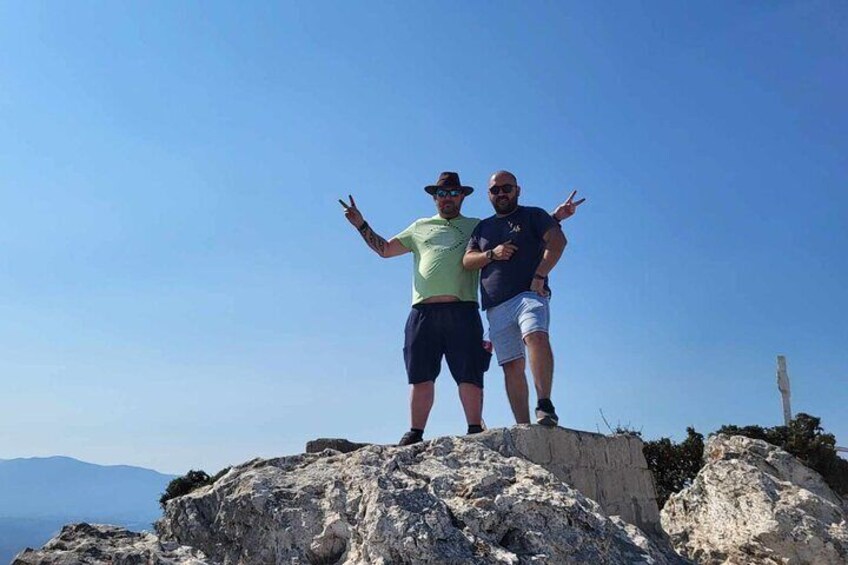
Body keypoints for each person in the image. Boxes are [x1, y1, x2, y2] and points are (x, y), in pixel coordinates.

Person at [340, 172, 489, 446]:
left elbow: (506, 238)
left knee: (470, 372)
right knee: (420, 374)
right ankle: (415, 432)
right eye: (442, 194)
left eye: (453, 193)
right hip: (423, 312)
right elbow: (385, 250)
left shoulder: (478, 226)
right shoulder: (419, 226)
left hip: (463, 310)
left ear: (463, 196)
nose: (447, 198)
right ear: (434, 198)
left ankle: (474, 429)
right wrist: (360, 224)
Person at [463, 170, 585, 427]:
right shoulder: (482, 227)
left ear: (518, 190)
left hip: (529, 294)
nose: (501, 193)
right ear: (488, 195)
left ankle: (544, 403)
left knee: (536, 336)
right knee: (511, 365)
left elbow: (558, 241)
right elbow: (467, 261)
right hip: (495, 305)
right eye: (495, 190)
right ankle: (524, 426)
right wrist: (492, 254)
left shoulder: (533, 215)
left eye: (506, 188)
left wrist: (540, 275)